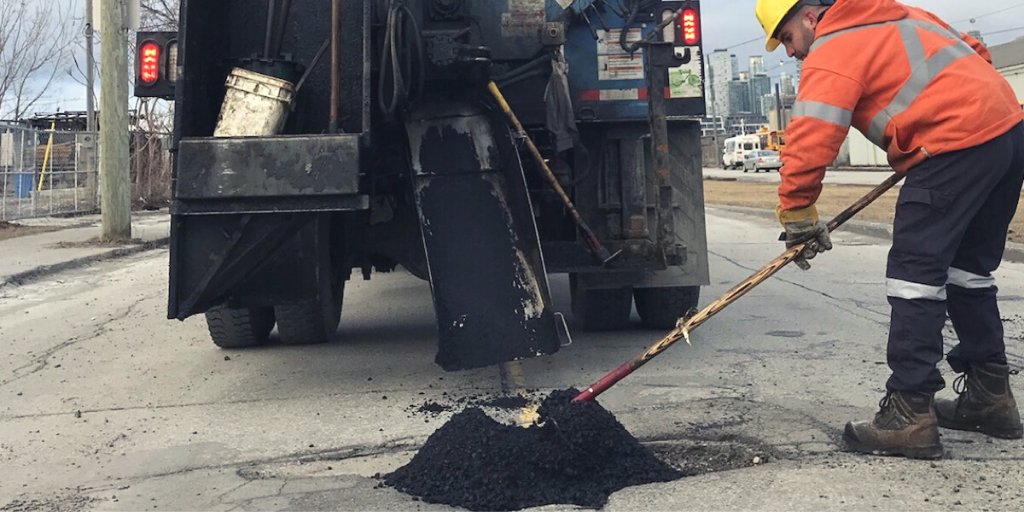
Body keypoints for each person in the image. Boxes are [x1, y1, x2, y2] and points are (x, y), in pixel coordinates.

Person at [755, 0, 1024, 459]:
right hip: (1007, 132)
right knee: (967, 272)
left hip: (954, 145)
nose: (790, 52)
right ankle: (990, 397)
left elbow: (812, 135)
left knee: (914, 276)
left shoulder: (834, 46)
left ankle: (909, 414)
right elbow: (975, 52)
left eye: (786, 39)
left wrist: (798, 214)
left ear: (809, 17)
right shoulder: (901, 14)